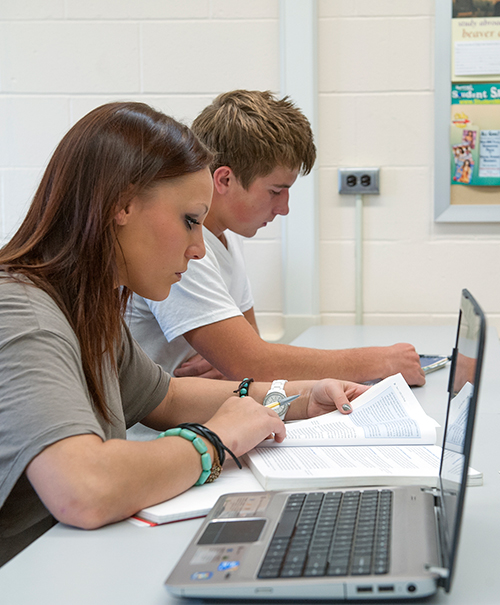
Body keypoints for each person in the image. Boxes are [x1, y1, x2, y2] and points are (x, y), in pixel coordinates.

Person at [0, 101, 369, 567]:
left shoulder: (87, 306)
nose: (198, 249)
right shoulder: (24, 313)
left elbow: (169, 399)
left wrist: (297, 398)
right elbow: (84, 490)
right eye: (190, 221)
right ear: (122, 205)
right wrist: (216, 440)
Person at [126, 90, 425, 393]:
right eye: (275, 191)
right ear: (225, 180)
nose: (284, 208)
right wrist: (381, 361)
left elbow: (249, 355)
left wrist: (238, 361)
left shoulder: (227, 237)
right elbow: (254, 364)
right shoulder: (184, 248)